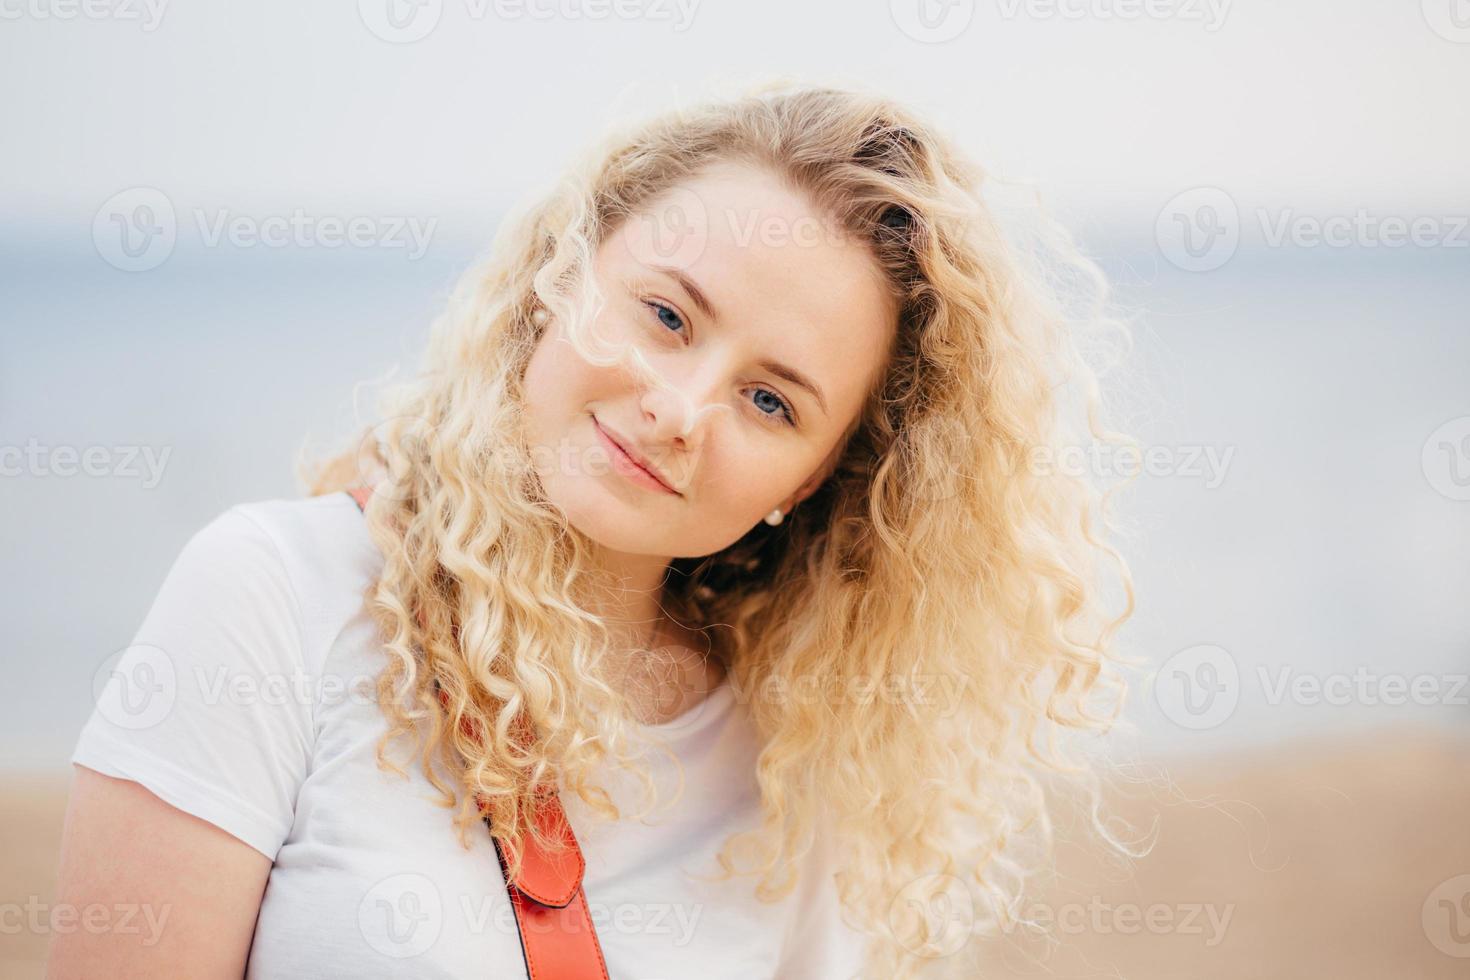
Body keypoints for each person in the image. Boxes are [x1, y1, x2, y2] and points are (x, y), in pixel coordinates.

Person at [48, 81, 1139, 979]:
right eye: (666, 314)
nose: (679, 408)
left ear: (814, 480)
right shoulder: (273, 598)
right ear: (561, 277)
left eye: (772, 401)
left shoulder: (794, 759)